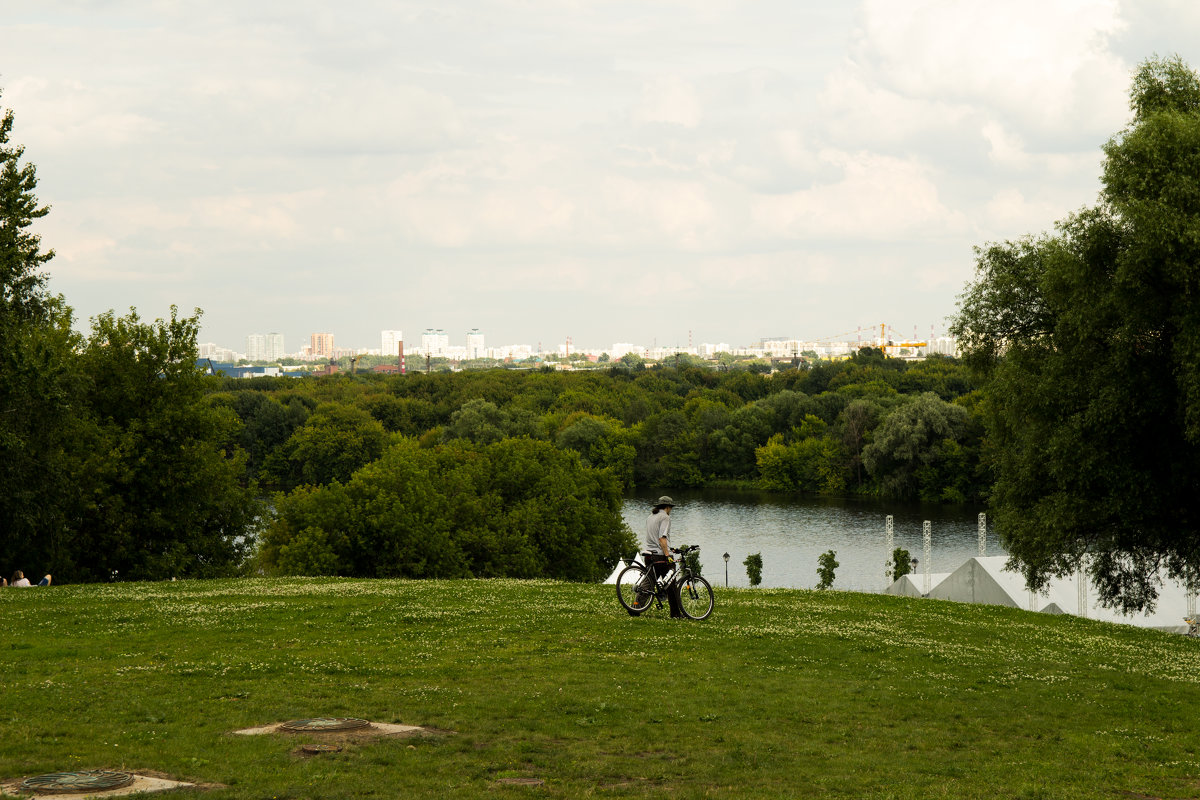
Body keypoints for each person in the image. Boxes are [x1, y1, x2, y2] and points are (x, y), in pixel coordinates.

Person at [639, 496, 683, 618]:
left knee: (648, 583)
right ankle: (675, 614)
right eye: (671, 508)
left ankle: (635, 607)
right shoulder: (665, 517)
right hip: (660, 555)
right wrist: (668, 555)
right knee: (671, 582)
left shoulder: (650, 517)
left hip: (649, 554)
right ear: (668, 507)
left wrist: (669, 547)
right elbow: (662, 538)